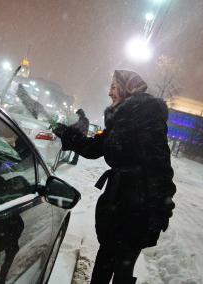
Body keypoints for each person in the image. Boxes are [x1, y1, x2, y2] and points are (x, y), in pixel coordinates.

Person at [53, 70, 176, 284]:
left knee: (123, 266)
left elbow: (159, 163)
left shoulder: (147, 116)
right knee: (105, 259)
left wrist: (161, 207)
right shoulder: (119, 119)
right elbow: (93, 148)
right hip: (117, 200)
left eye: (114, 87)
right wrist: (65, 133)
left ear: (127, 88)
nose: (110, 92)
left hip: (138, 203)